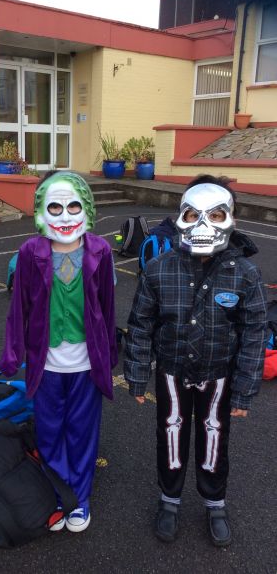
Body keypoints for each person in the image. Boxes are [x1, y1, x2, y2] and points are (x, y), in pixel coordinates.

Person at [124, 174, 267, 547]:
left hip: (218, 374)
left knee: (214, 436)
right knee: (170, 431)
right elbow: (140, 325)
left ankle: (215, 502)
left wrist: (244, 390)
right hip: (172, 371)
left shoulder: (245, 274)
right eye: (193, 215)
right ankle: (169, 499)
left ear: (231, 218)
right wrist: (137, 376)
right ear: (180, 217)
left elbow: (254, 333)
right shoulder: (159, 269)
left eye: (215, 215)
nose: (204, 224)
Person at [0, 171, 117, 532]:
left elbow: (108, 307)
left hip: (85, 364)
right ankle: (56, 492)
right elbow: (18, 308)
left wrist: (109, 354)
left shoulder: (100, 250)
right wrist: (12, 353)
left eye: (73, 206)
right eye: (55, 207)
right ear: (41, 210)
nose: (65, 216)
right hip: (46, 363)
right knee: (49, 431)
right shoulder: (29, 252)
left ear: (87, 208)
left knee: (82, 431)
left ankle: (79, 497)